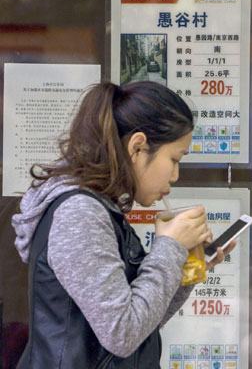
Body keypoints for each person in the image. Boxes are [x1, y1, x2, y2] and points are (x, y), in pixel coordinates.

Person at [12, 81, 236, 368]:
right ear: (138, 146)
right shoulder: (80, 214)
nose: (176, 175)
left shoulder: (102, 208)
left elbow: (142, 323)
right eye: (175, 159)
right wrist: (169, 247)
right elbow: (122, 335)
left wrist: (185, 267)